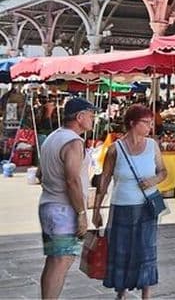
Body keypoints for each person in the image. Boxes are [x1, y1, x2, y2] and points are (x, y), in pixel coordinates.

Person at [92, 104, 167, 299]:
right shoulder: (115, 149)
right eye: (146, 122)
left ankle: (146, 294)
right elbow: (104, 180)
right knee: (121, 249)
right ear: (133, 123)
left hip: (146, 206)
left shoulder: (152, 145)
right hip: (122, 206)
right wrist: (96, 210)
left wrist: (153, 181)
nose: (150, 126)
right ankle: (121, 291)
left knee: (146, 249)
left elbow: (163, 171)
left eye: (151, 123)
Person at [38, 97, 96, 299]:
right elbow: (72, 180)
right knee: (60, 261)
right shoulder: (73, 142)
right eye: (90, 115)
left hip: (49, 203)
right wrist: (81, 213)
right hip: (62, 208)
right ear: (80, 117)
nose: (93, 119)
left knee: (55, 260)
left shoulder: (54, 137)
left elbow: (39, 173)